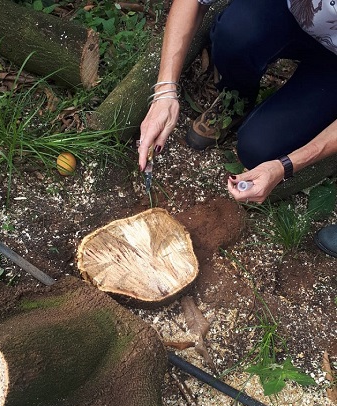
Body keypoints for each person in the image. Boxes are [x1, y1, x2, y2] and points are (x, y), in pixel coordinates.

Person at [137, 0, 337, 258]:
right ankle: (236, 98)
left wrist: (286, 165)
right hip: (288, 14)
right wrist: (165, 91)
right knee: (236, 32)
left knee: (259, 148)